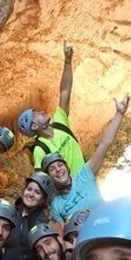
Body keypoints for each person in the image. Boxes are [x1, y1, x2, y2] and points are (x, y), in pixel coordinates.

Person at [43, 94, 131, 223]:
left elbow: (104, 144)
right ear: (49, 177)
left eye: (60, 165)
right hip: (88, 240)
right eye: (52, 169)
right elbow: (62, 235)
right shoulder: (56, 205)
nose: (58, 169)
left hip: (110, 225)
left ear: (67, 167)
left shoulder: (84, 175)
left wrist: (119, 113)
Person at [18, 41, 85, 175]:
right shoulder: (40, 150)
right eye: (36, 114)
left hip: (88, 181)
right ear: (34, 127)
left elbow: (65, 91)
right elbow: (41, 178)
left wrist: (67, 61)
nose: (42, 112)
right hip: (72, 193)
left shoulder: (60, 122)